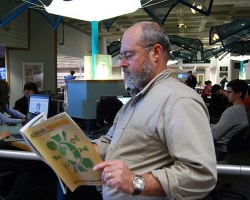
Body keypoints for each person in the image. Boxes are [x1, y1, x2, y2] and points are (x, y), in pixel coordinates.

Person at [92, 22, 216, 199]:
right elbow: (111, 140)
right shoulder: (134, 100)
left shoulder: (179, 100)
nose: (122, 64)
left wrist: (136, 182)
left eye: (128, 55)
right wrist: (83, 147)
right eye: (121, 57)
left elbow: (200, 174)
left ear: (156, 53)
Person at [211, 79, 248, 161]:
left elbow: (213, 135)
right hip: (226, 151)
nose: (226, 94)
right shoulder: (242, 109)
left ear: (239, 94)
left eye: (229, 92)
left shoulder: (232, 111)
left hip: (218, 151)